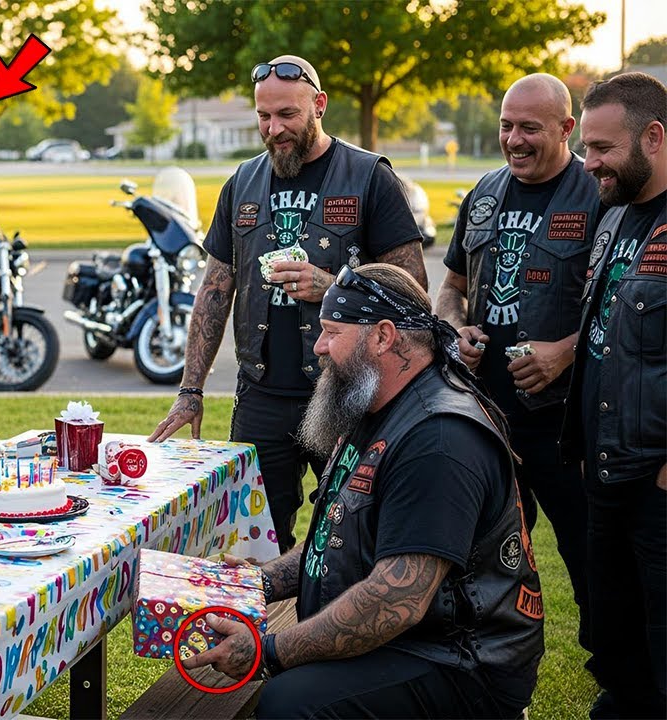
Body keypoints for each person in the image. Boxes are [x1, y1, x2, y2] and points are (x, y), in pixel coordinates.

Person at [184, 263, 544, 718]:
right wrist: (258, 583)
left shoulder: (437, 440)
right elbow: (338, 534)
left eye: (332, 332)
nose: (318, 347)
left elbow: (398, 597)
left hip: (461, 661)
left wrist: (267, 651)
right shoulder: (375, 403)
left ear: (383, 336)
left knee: (289, 703)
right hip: (416, 638)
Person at [148, 55, 428, 552]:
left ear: (319, 105)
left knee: (351, 536)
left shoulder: (369, 178)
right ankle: (256, 632)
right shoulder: (241, 183)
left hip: (346, 392)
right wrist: (191, 389)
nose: (273, 129)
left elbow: (414, 292)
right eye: (263, 116)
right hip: (260, 395)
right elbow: (215, 290)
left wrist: (336, 285)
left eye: (287, 115)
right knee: (250, 542)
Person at [434, 72, 598, 652]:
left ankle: (616, 667)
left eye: (531, 127)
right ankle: (500, 662)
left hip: (567, 424)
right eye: (507, 126)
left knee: (591, 555)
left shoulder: (599, 195)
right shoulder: (482, 194)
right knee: (491, 559)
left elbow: (624, 311)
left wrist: (564, 352)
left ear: (566, 129)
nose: (515, 140)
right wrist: (454, 328)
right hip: (486, 420)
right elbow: (450, 286)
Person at [562, 71, 666, 719]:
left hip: (656, 486)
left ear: (653, 137)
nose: (588, 162)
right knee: (615, 640)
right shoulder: (615, 213)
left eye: (602, 148)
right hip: (603, 472)